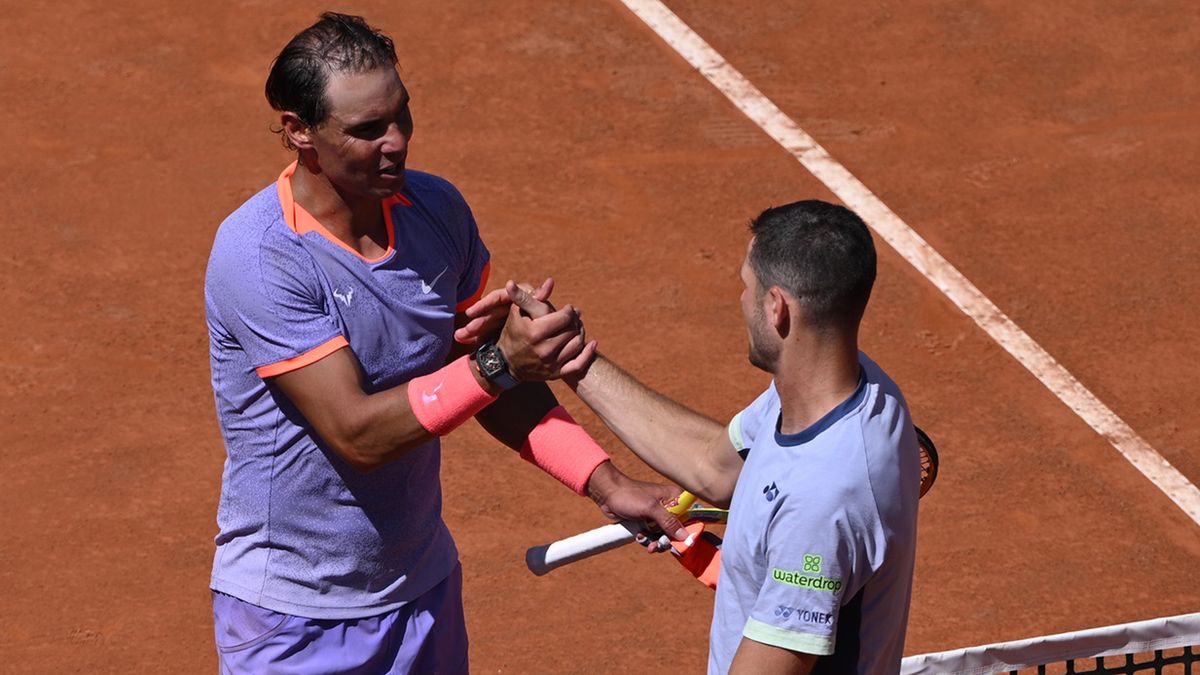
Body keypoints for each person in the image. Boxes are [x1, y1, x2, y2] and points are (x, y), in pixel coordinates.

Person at [203, 12, 684, 673]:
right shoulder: (263, 255)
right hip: (295, 617)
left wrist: (606, 484)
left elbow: (480, 379)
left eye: (400, 116)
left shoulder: (437, 212)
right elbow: (359, 434)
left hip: (421, 593)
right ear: (298, 131)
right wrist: (498, 362)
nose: (395, 142)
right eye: (367, 130)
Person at [460, 200, 920, 674]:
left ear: (777, 308)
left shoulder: (822, 503)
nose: (741, 300)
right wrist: (568, 355)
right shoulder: (849, 384)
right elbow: (713, 467)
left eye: (746, 286)